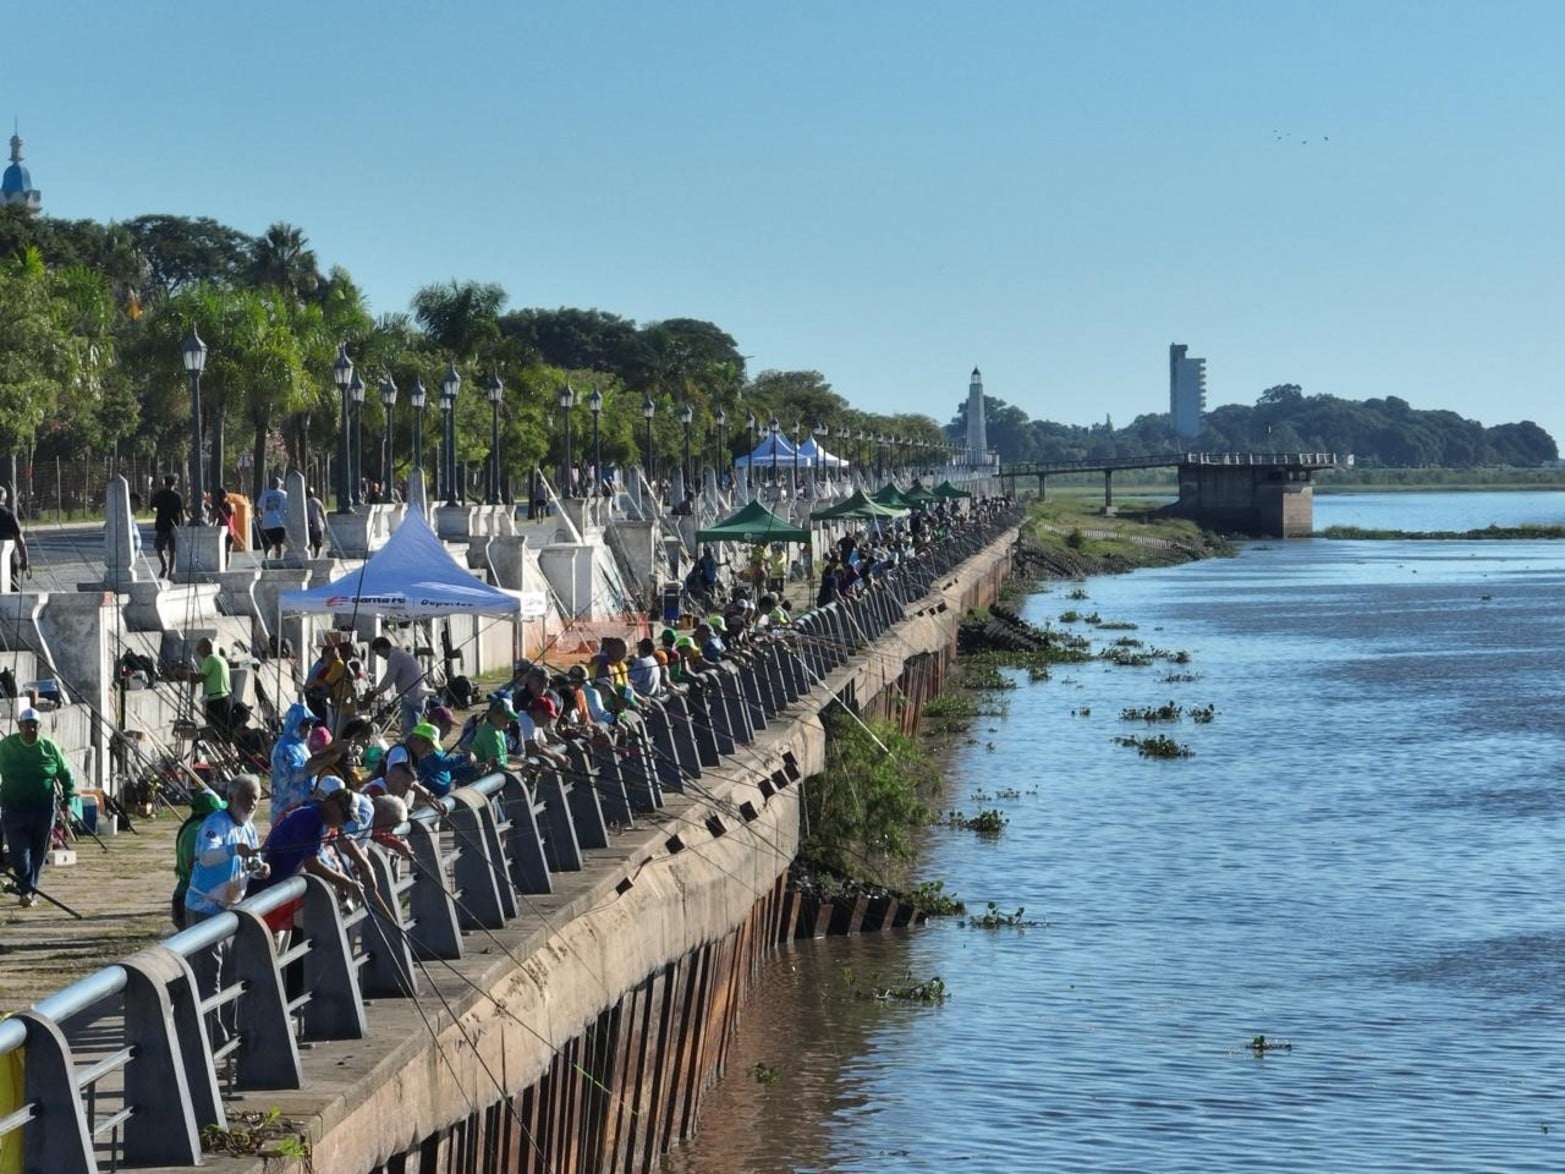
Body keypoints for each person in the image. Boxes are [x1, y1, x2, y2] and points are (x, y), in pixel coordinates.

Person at [183, 775, 267, 1042]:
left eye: (256, 797)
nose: (252, 803)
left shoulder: (249, 827)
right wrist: (233, 850)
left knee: (232, 972)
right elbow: (206, 858)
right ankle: (210, 1034)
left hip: (232, 910)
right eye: (247, 797)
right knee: (209, 975)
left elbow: (251, 862)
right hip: (205, 908)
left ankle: (229, 1028)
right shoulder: (215, 824)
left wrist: (260, 869)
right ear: (231, 797)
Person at [0, 707, 74, 907]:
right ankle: (28, 890)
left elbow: (65, 774)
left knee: (38, 854)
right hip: (13, 808)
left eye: (34, 726)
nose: (31, 730)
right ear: (20, 726)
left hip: (42, 810)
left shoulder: (48, 747)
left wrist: (68, 799)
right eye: (27, 726)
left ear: (39, 727)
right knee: (19, 854)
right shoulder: (6, 746)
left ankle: (28, 891)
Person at [172, 785, 228, 928]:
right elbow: (197, 870)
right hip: (193, 902)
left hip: (187, 898)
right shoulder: (198, 832)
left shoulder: (191, 826)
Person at [368, 636, 429, 733]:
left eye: (378, 652)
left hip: (412, 695)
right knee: (413, 727)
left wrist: (375, 692)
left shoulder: (395, 657)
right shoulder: (400, 653)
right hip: (417, 693)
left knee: (409, 730)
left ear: (382, 647)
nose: (379, 655)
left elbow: (388, 679)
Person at [195, 637, 236, 737]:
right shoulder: (221, 658)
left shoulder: (210, 659)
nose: (197, 652)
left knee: (214, 731)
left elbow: (200, 678)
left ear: (206, 647)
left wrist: (183, 674)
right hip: (226, 698)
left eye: (198, 648)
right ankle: (227, 749)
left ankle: (220, 749)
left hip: (216, 701)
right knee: (224, 731)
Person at [149, 475, 184, 579]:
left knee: (159, 548)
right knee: (172, 550)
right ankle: (169, 573)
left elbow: (152, 507)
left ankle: (164, 566)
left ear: (165, 483)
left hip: (161, 524)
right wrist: (182, 525)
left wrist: (158, 510)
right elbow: (181, 512)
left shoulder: (159, 494)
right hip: (173, 525)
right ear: (174, 483)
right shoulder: (177, 496)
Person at [470, 697, 514, 772]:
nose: (508, 720)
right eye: (505, 716)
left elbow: (505, 758)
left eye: (510, 717)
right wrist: (520, 768)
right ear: (493, 714)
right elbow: (497, 764)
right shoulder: (490, 734)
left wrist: (527, 764)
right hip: (480, 778)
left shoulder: (499, 731)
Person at [0, 487, 26, 590]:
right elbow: (19, 539)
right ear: (4, 498)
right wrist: (24, 559)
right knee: (10, 584)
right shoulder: (9, 515)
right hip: (7, 558)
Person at [257, 476, 288, 559]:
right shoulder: (284, 494)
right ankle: (278, 558)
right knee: (278, 543)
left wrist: (259, 518)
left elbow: (259, 507)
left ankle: (267, 557)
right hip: (279, 523)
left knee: (267, 543)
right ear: (279, 485)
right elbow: (288, 508)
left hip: (267, 523)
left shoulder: (265, 493)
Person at [306, 488, 327, 559]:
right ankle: (316, 558)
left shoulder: (303, 502)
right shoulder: (317, 501)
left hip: (308, 526)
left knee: (309, 544)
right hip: (318, 526)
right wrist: (325, 524)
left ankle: (310, 557)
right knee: (318, 544)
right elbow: (323, 514)